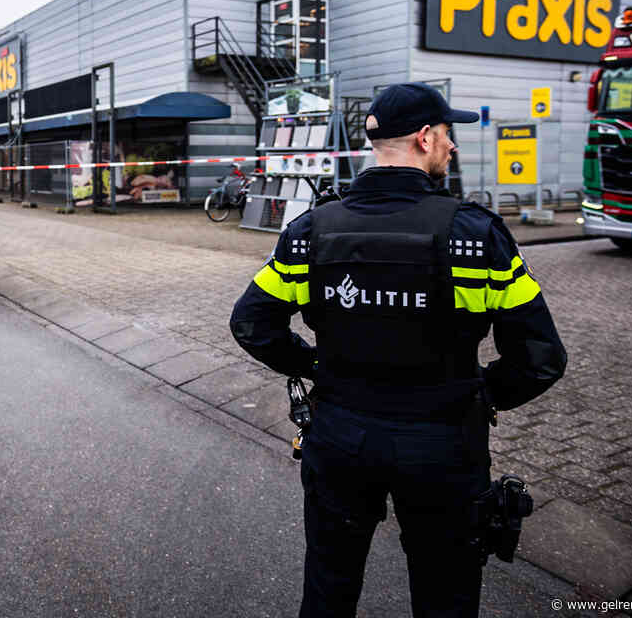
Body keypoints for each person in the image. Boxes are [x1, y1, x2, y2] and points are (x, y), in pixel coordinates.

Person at [230, 83, 566, 618]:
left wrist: (315, 365)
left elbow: (251, 323)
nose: (452, 147)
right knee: (445, 595)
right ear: (425, 137)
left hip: (339, 437)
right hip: (444, 445)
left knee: (328, 587)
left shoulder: (311, 231)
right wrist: (481, 394)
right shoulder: (477, 236)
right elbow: (542, 357)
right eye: (448, 135)